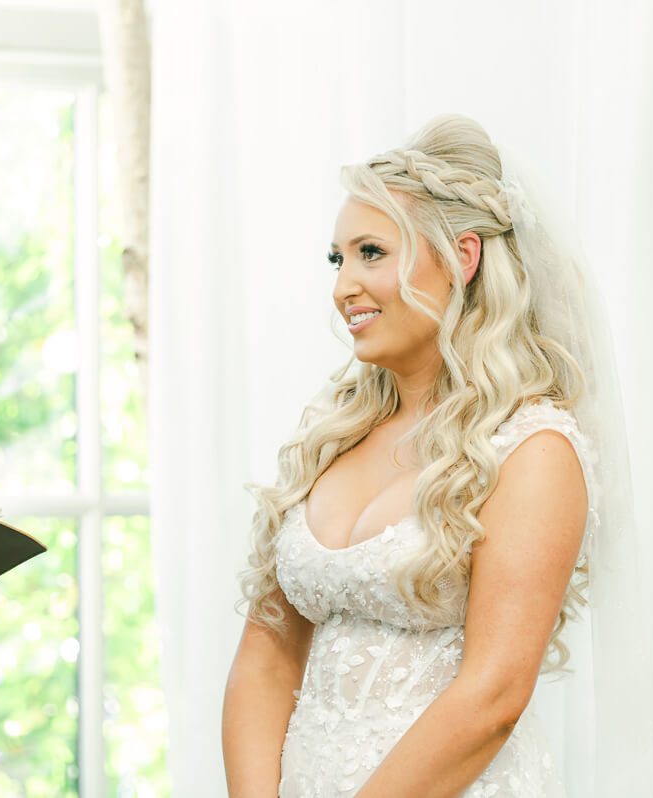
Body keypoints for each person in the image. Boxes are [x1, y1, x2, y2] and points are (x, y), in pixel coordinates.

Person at [222, 115, 629, 797]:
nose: (343, 285)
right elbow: (266, 653)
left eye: (371, 253)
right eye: (337, 258)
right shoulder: (333, 435)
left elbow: (493, 695)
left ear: (463, 257)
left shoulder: (533, 450)